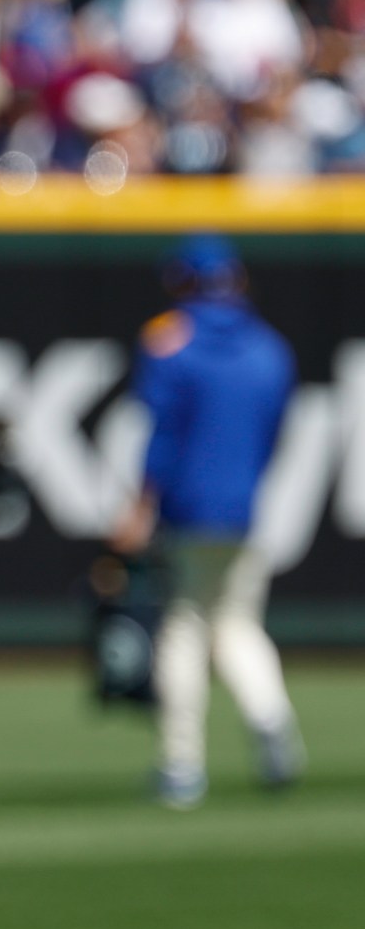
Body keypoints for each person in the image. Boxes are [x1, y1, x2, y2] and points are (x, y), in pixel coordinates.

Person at [110, 234, 303, 809]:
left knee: (186, 626)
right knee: (237, 622)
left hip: (188, 508)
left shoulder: (172, 344)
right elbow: (274, 436)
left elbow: (162, 437)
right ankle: (271, 720)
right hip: (243, 508)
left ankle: (181, 764)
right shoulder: (270, 348)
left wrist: (142, 506)